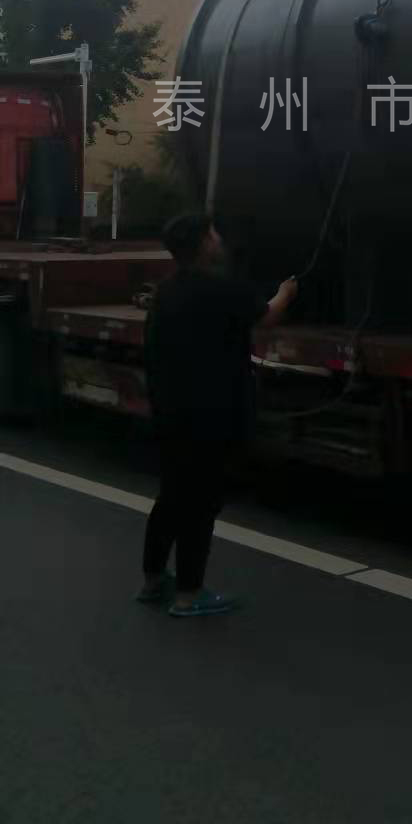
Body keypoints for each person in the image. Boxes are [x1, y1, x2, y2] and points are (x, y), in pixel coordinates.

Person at [138, 212, 298, 618]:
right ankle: (189, 594)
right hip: (210, 415)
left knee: (172, 496)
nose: (219, 240)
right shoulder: (222, 289)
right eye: (213, 235)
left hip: (171, 411)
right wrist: (286, 292)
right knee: (200, 504)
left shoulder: (166, 292)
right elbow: (268, 315)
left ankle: (153, 580)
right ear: (203, 244)